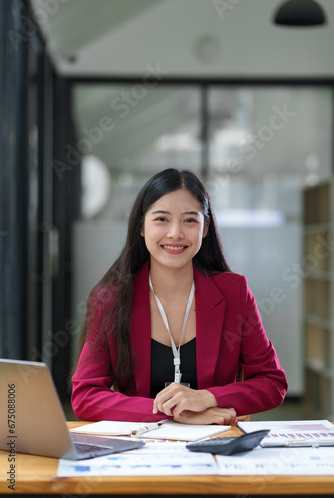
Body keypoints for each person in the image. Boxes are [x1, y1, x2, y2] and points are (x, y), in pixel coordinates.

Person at [71, 168, 287, 424]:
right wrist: (172, 412)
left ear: (205, 228)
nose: (175, 233)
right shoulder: (110, 300)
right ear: (141, 226)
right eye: (161, 219)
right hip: (138, 450)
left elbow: (272, 383)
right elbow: (85, 396)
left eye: (190, 220)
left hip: (214, 447)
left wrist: (207, 398)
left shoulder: (234, 293)